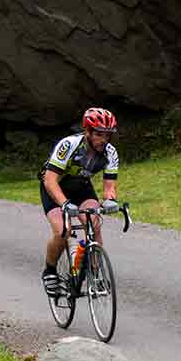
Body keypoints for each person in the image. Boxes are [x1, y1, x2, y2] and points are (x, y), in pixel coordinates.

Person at [39, 107, 120, 298]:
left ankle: (95, 272)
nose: (103, 139)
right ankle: (50, 271)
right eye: (99, 134)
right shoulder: (69, 145)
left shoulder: (110, 153)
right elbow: (50, 180)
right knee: (64, 231)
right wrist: (65, 204)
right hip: (55, 187)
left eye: (107, 135)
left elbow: (109, 186)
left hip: (81, 186)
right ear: (88, 132)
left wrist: (110, 201)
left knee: (94, 221)